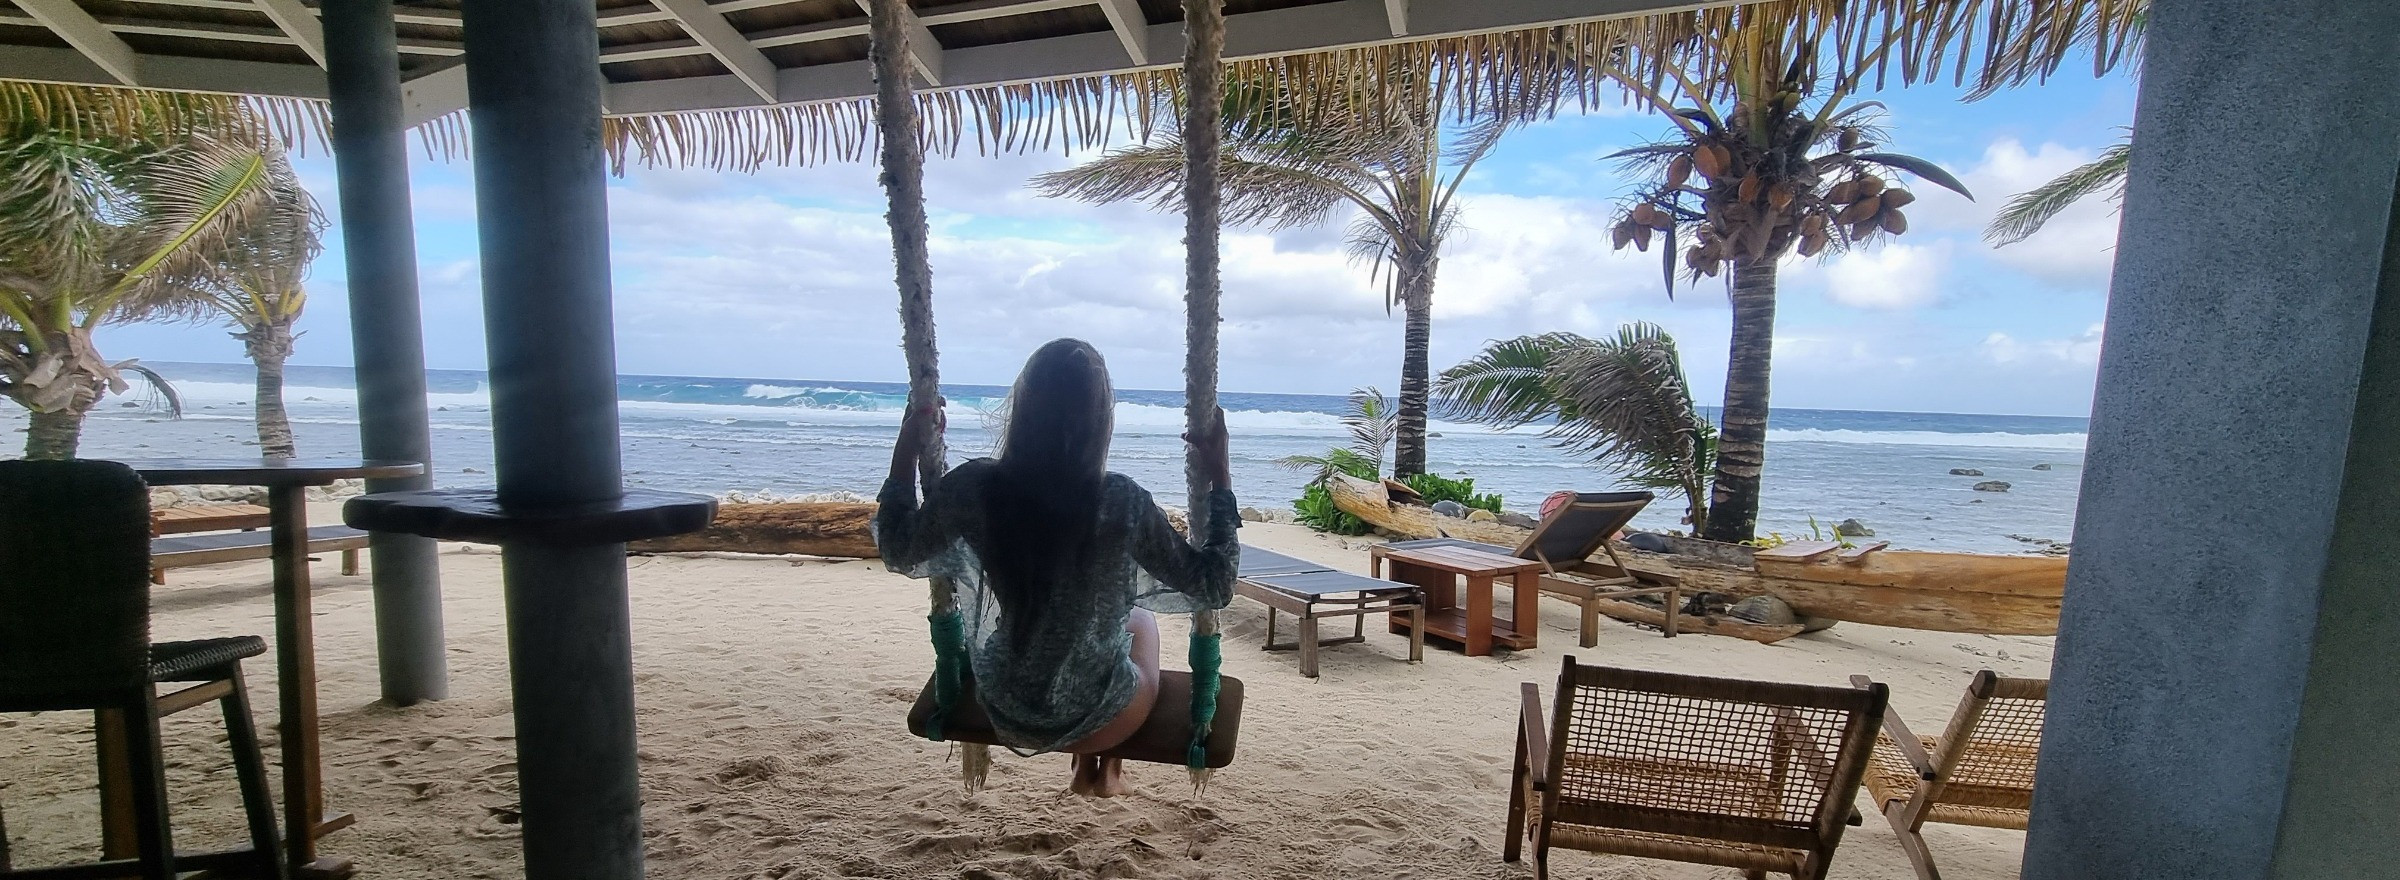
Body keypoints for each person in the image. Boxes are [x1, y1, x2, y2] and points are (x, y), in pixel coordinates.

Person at [875, 338, 1237, 796]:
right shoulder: (1120, 504)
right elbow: (1215, 584)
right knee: (1140, 622)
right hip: (1101, 721)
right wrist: (1220, 475)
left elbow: (897, 548)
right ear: (1101, 420)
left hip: (1005, 705)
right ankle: (1107, 767)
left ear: (1022, 408)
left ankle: (1092, 765)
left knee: (1093, 625)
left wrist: (907, 447)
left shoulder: (975, 489)